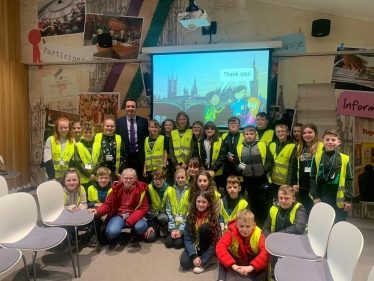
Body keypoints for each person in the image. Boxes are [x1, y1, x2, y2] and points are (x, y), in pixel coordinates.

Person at [88, 168, 149, 245]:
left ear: (135, 179)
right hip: (119, 215)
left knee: (141, 227)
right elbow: (107, 205)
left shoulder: (141, 190)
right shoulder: (116, 189)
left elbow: (144, 208)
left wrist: (131, 219)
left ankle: (134, 234)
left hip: (134, 215)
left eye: (131, 178)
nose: (128, 180)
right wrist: (97, 211)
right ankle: (120, 235)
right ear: (122, 178)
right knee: (111, 233)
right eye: (126, 178)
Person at [310, 129, 353, 223]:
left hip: (338, 198)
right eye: (327, 139)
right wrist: (315, 196)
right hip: (322, 196)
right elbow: (312, 178)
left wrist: (348, 199)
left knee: (339, 223)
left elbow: (349, 179)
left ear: (338, 142)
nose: (330, 142)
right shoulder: (316, 158)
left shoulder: (345, 159)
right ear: (323, 141)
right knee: (323, 223)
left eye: (333, 140)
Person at [234, 125, 274, 225]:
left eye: (251, 134)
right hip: (248, 180)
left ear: (255, 135)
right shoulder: (239, 148)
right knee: (252, 202)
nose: (249, 136)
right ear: (243, 135)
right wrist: (242, 172)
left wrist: (263, 171)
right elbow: (235, 163)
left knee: (263, 202)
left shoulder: (262, 145)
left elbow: (270, 160)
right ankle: (255, 222)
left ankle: (264, 223)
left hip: (262, 179)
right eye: (247, 134)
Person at [216, 209, 271, 281]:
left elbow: (266, 252)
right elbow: (220, 247)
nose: (244, 230)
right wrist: (233, 265)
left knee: (264, 260)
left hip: (253, 258)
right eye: (241, 226)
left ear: (253, 225)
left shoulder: (259, 234)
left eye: (248, 226)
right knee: (222, 254)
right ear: (236, 225)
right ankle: (221, 279)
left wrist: (251, 267)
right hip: (238, 258)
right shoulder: (231, 232)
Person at [287, 123, 324, 216]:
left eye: (310, 132)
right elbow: (294, 166)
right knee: (306, 210)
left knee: (318, 212)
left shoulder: (322, 146)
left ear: (315, 133)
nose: (307, 135)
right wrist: (294, 183)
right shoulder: (299, 147)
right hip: (303, 186)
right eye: (304, 133)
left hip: (318, 186)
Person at [180, 190, 219, 274]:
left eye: (204, 202)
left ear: (208, 204)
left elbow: (214, 242)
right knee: (184, 264)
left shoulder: (214, 217)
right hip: (196, 245)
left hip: (207, 246)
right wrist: (194, 256)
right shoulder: (190, 216)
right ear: (195, 202)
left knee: (204, 228)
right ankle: (198, 256)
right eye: (198, 201)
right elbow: (187, 238)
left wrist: (204, 260)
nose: (201, 204)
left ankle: (205, 258)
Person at [115, 98, 149, 179]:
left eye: (133, 106)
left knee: (139, 181)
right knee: (126, 181)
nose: (130, 108)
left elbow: (146, 139)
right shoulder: (118, 121)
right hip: (125, 157)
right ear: (125, 108)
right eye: (128, 106)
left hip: (139, 157)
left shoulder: (143, 121)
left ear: (136, 108)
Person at [58, 168, 88, 250]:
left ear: (78, 180)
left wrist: (78, 208)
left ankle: (73, 234)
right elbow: (56, 208)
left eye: (74, 180)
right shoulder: (59, 190)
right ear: (64, 181)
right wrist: (69, 207)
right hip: (62, 215)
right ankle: (65, 237)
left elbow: (84, 203)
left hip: (76, 213)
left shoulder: (81, 189)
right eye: (69, 180)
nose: (71, 182)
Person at [192, 121, 226, 188]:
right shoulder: (199, 142)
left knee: (215, 192)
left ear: (215, 130)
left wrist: (212, 170)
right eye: (207, 128)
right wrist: (202, 168)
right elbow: (196, 156)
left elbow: (222, 157)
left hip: (216, 172)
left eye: (212, 128)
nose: (209, 130)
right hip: (202, 171)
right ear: (204, 130)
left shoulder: (220, 141)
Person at [269, 124, 295, 204]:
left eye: (283, 131)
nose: (280, 133)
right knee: (274, 203)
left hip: (285, 183)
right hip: (273, 182)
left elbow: (292, 167)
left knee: (285, 204)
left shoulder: (293, 146)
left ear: (287, 133)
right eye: (278, 132)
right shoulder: (272, 144)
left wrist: (288, 184)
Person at [87, 167, 112, 246]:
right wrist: (94, 204)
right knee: (95, 213)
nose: (103, 180)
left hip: (108, 210)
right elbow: (86, 203)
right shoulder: (90, 188)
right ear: (97, 179)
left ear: (110, 179)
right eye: (101, 178)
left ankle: (104, 232)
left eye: (106, 178)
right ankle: (95, 235)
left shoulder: (113, 189)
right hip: (95, 209)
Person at [218, 117, 245, 195]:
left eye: (235, 123)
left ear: (239, 126)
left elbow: (245, 152)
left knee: (239, 188)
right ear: (228, 126)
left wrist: (235, 159)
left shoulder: (243, 137)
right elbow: (221, 151)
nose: (233, 125)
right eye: (231, 123)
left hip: (239, 167)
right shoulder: (223, 136)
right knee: (228, 188)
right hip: (226, 167)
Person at [165, 168, 190, 249]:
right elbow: (169, 211)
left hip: (184, 225)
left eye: (182, 177)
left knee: (177, 245)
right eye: (178, 178)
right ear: (175, 178)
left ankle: (182, 235)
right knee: (168, 244)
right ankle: (173, 232)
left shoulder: (190, 192)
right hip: (173, 224)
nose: (180, 180)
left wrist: (180, 230)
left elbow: (188, 213)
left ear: (186, 178)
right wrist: (172, 229)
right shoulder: (171, 191)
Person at [44, 117, 75, 181]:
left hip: (67, 177)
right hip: (53, 176)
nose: (63, 130)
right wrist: (52, 177)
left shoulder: (72, 141)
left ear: (69, 128)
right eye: (61, 127)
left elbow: (73, 161)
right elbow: (47, 160)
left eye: (66, 127)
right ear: (57, 128)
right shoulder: (50, 140)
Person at [144, 169, 171, 243]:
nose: (158, 181)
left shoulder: (170, 190)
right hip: (151, 216)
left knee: (164, 218)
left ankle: (163, 226)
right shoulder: (148, 188)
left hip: (164, 215)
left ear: (165, 179)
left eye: (160, 179)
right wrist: (150, 224)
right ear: (153, 178)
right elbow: (147, 207)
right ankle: (155, 226)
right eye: (156, 179)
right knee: (149, 238)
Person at [74, 122, 103, 189]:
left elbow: (100, 161)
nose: (88, 134)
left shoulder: (97, 145)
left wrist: (94, 174)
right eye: (86, 132)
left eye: (90, 132)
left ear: (94, 133)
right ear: (82, 133)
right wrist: (88, 175)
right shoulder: (78, 145)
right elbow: (77, 162)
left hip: (95, 178)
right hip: (82, 180)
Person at [161, 119, 177, 185]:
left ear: (173, 126)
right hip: (163, 160)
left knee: (173, 176)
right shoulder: (160, 135)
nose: (168, 126)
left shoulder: (176, 135)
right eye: (166, 125)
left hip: (174, 159)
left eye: (170, 125)